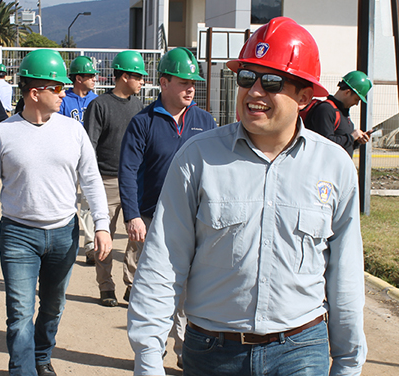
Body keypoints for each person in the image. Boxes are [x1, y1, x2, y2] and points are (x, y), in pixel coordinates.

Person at [127, 17, 367, 376]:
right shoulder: (198, 157)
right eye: (246, 78)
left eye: (271, 81)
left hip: (300, 351)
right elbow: (164, 261)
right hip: (212, 353)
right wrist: (148, 357)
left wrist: (347, 361)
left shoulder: (334, 167)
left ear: (304, 97)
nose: (254, 91)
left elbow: (345, 274)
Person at [0, 49, 112, 376]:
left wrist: (102, 225)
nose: (63, 93)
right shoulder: (2, 134)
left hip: (63, 235)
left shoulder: (73, 131)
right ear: (35, 92)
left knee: (53, 307)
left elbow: (92, 181)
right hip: (18, 236)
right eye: (56, 88)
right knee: (20, 312)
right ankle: (22, 370)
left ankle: (41, 356)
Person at [119, 47, 216, 365]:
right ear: (163, 82)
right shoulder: (143, 122)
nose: (190, 88)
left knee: (191, 294)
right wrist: (133, 215)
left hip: (193, 221)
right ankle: (150, 352)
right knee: (153, 290)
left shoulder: (205, 121)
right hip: (151, 220)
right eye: (183, 81)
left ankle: (184, 356)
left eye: (193, 82)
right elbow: (128, 171)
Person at [82, 50, 146, 305]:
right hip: (105, 180)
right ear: (124, 76)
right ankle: (106, 287)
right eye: (138, 76)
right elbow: (90, 145)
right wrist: (90, 181)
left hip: (133, 182)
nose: (142, 81)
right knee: (104, 236)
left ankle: (131, 285)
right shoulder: (99, 105)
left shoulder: (138, 106)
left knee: (136, 237)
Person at [59, 55, 100, 268]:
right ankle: (65, 240)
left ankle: (90, 245)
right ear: (78, 78)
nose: (94, 79)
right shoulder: (65, 100)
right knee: (66, 199)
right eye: (89, 76)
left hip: (89, 156)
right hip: (67, 155)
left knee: (88, 202)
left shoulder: (96, 100)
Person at [304, 70, 373, 156]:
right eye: (356, 99)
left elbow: (341, 145)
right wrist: (351, 137)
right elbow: (325, 144)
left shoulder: (342, 112)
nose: (356, 104)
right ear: (347, 92)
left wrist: (356, 141)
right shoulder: (326, 110)